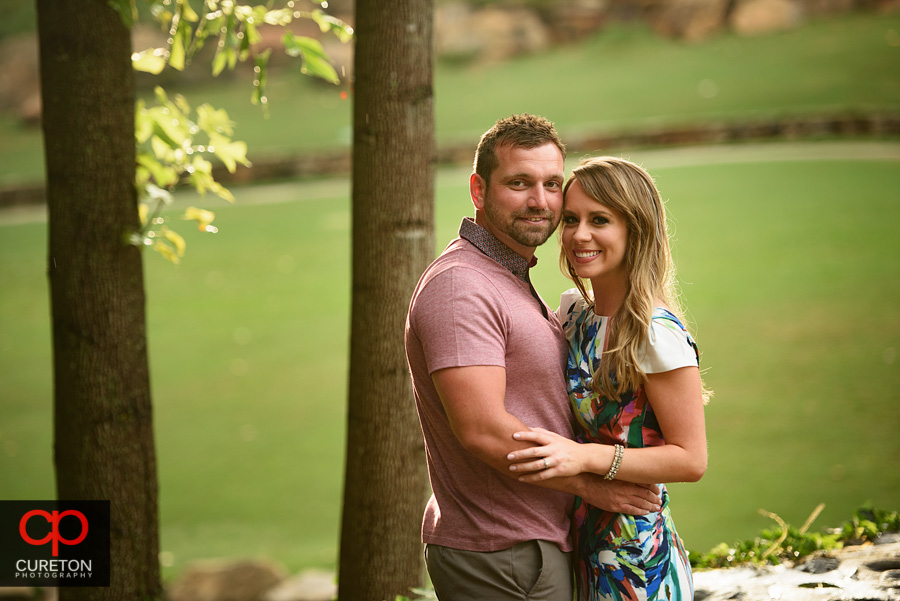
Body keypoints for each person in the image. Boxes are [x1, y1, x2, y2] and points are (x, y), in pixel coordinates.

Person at [405, 116, 662, 601]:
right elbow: (481, 428)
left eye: (551, 184)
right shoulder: (462, 286)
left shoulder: (506, 277)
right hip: (504, 552)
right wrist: (591, 484)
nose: (539, 201)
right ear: (478, 190)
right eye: (518, 183)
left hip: (530, 544)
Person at [505, 156, 710, 600]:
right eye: (572, 219)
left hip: (637, 559)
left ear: (635, 230)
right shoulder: (573, 315)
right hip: (579, 538)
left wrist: (585, 459)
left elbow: (690, 459)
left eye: (600, 220)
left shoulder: (655, 334)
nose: (580, 235)